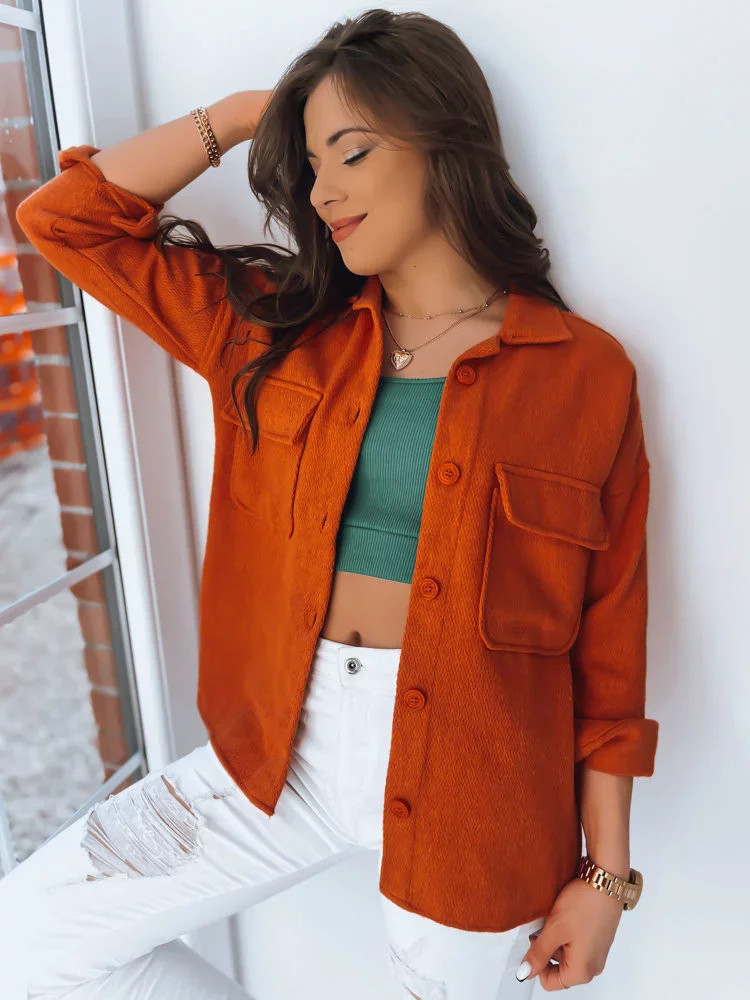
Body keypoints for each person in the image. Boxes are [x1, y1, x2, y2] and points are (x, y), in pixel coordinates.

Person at [3, 8, 658, 999]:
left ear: (445, 143)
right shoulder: (273, 329)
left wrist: (605, 875)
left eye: (351, 152)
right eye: (310, 164)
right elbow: (65, 220)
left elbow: (610, 647)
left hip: (481, 791)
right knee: (30, 937)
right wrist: (244, 114)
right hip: (279, 753)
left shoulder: (585, 375)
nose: (322, 190)